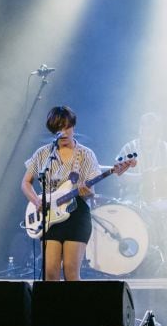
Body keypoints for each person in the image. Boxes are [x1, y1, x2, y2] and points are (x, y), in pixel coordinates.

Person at [21, 105, 135, 281]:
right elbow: (26, 183)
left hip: (77, 215)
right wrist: (36, 201)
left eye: (67, 127)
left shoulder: (85, 154)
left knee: (70, 271)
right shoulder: (43, 154)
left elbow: (91, 193)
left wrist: (86, 191)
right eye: (59, 128)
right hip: (50, 217)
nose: (64, 132)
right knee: (50, 272)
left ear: (73, 126)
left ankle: (74, 308)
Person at [116, 112, 167, 209]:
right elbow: (118, 174)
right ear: (139, 129)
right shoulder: (129, 148)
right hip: (133, 198)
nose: (146, 129)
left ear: (157, 131)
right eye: (143, 126)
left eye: (150, 127)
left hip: (162, 197)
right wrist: (142, 177)